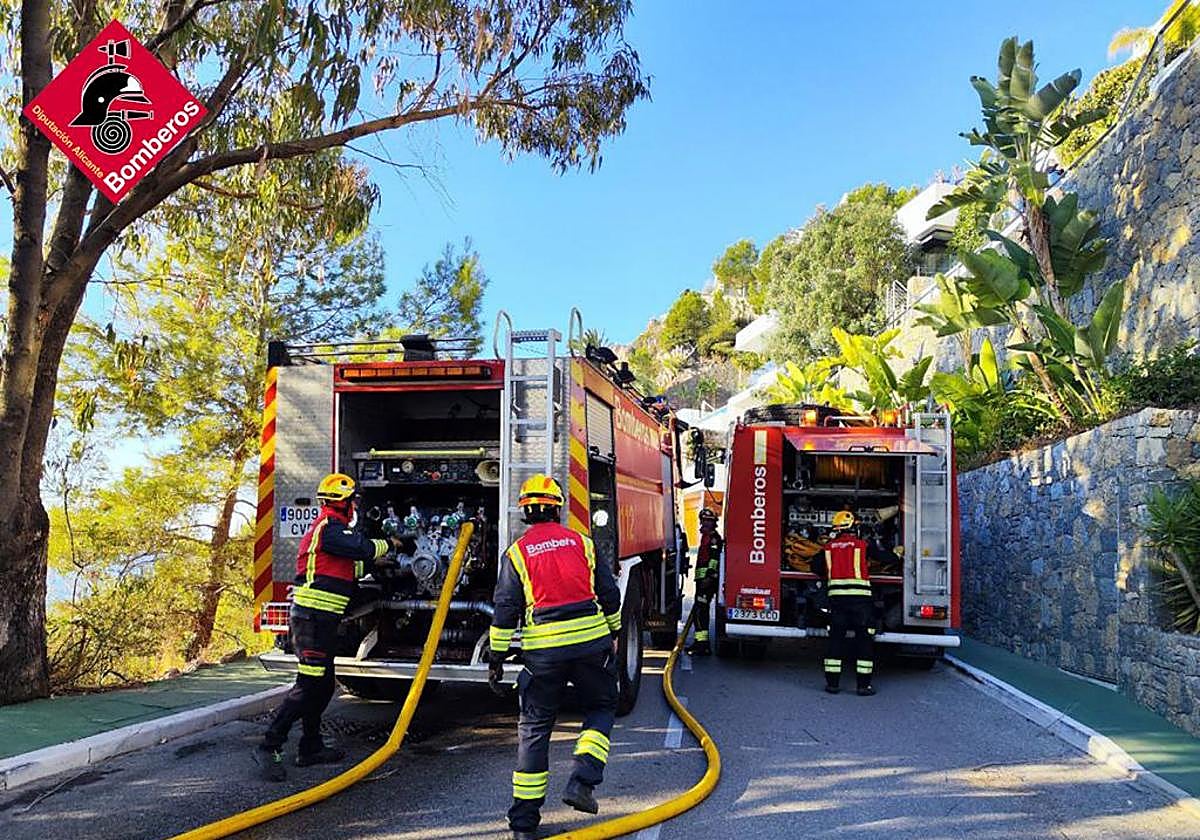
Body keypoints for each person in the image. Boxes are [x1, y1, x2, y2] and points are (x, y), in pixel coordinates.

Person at [488, 474, 622, 840]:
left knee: (534, 730)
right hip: (591, 645)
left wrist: (497, 656)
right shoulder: (583, 543)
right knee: (601, 707)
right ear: (558, 509)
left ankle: (523, 826)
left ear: (525, 511)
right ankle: (582, 781)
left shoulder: (516, 553)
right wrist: (613, 632)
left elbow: (505, 608)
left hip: (543, 653)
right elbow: (609, 594)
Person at [258, 472, 395, 781]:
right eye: (353, 501)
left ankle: (310, 747)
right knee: (308, 686)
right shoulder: (329, 529)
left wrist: (382, 568)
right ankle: (269, 745)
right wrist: (391, 544)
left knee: (323, 685)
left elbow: (353, 565)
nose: (356, 506)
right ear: (343, 504)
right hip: (311, 621)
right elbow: (363, 549)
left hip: (323, 622)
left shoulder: (333, 535)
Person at [815, 510, 895, 697]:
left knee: (835, 641)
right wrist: (897, 555)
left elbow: (816, 567)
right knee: (864, 643)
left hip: (837, 603)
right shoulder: (862, 545)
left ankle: (832, 685)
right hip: (861, 603)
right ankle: (863, 686)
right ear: (854, 528)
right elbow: (885, 559)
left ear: (837, 529)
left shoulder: (829, 548)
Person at [685, 507, 723, 656]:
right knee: (700, 611)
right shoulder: (706, 537)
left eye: (708, 521)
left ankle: (702, 644)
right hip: (702, 581)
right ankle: (700, 642)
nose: (705, 524)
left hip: (707, 582)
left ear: (714, 523)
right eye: (703, 520)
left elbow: (714, 559)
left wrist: (709, 576)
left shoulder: (714, 538)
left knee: (700, 611)